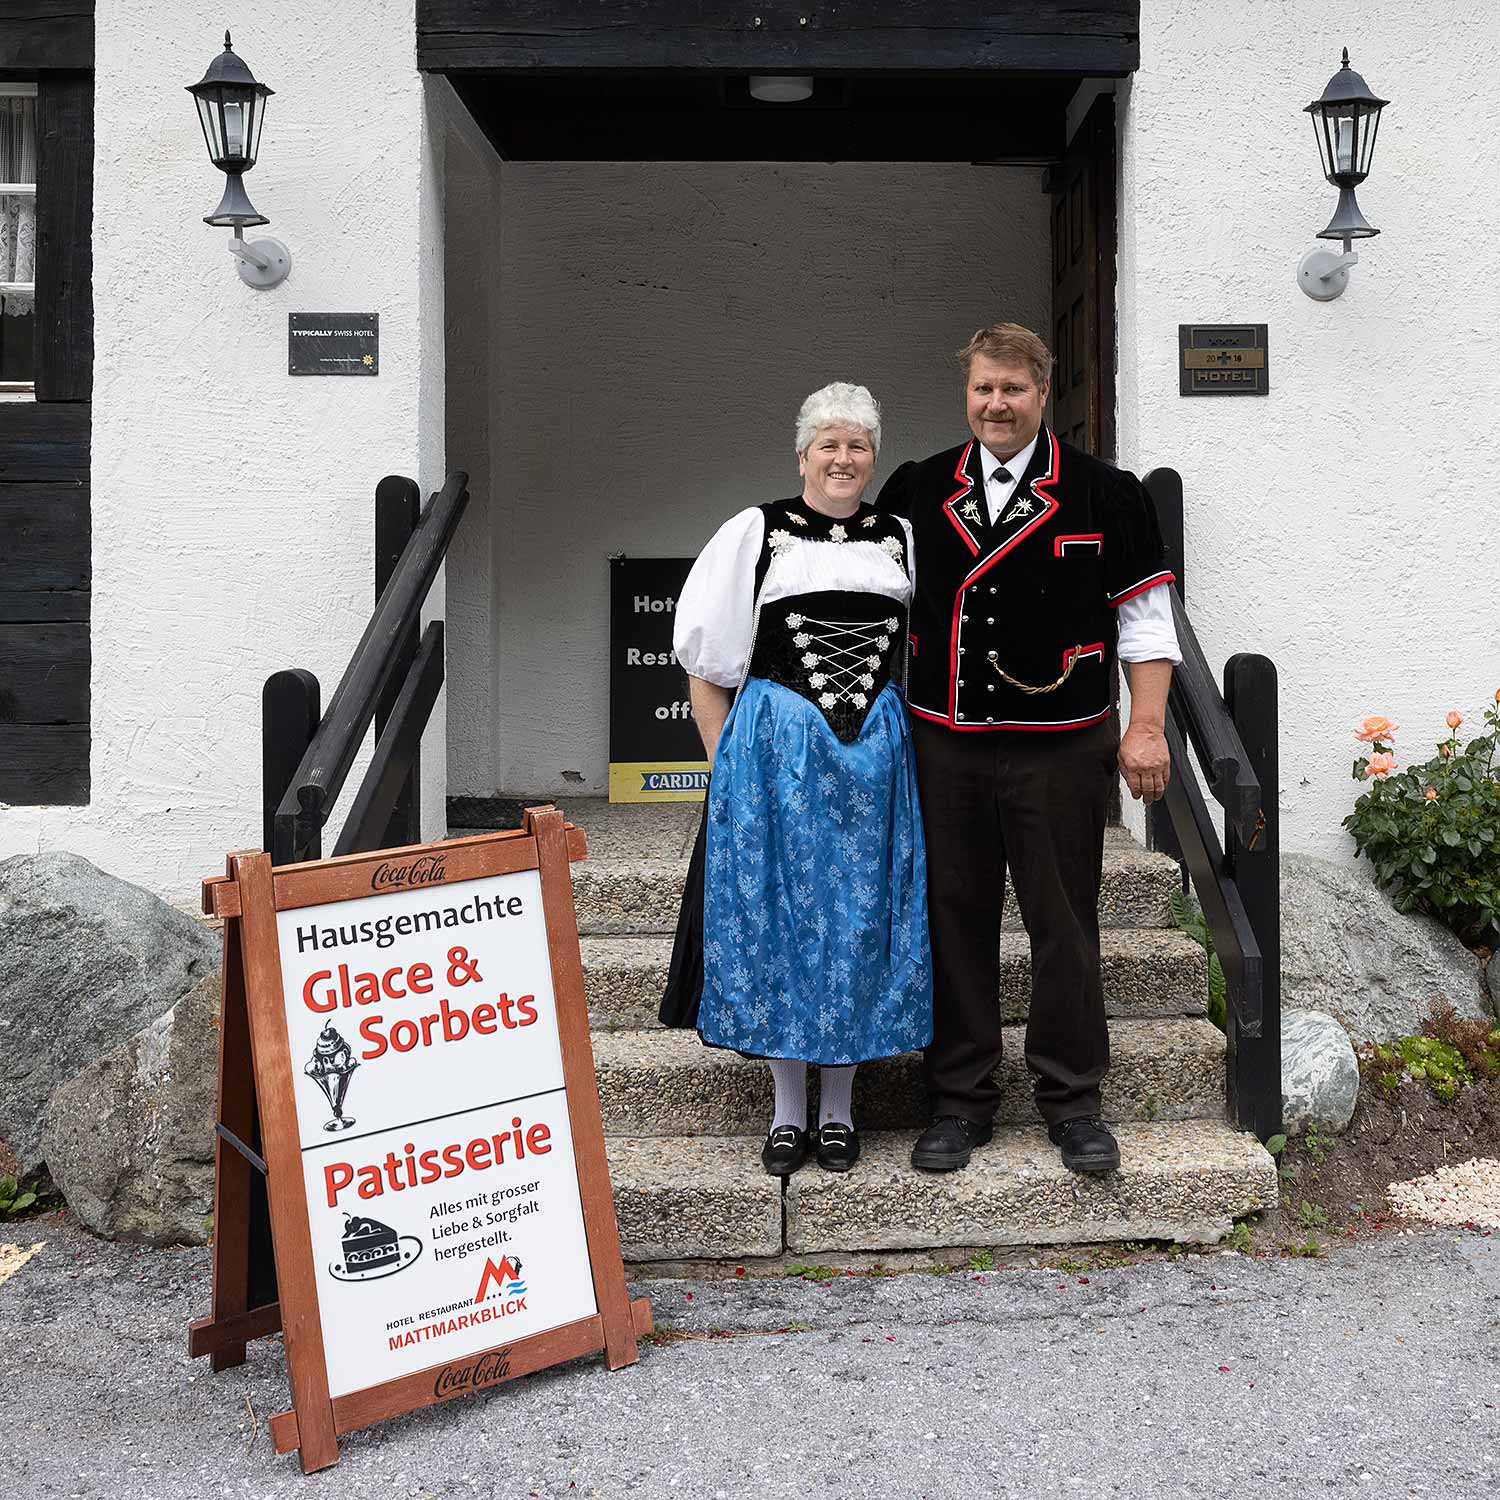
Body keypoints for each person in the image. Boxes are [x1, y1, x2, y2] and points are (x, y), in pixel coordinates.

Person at [877, 323, 1181, 1175]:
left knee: (1065, 926)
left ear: (1044, 394)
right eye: (983, 389)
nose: (996, 404)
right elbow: (877, 607)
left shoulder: (1105, 493)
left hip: (1061, 746)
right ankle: (960, 1098)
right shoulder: (916, 487)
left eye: (1012, 389)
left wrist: (1146, 726)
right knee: (954, 923)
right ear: (965, 394)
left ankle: (1072, 1100)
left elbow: (1145, 625)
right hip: (947, 744)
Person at [660, 382, 932, 1177]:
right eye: (829, 444)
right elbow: (706, 668)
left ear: (872, 455)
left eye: (857, 445)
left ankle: (841, 1112)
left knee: (857, 918)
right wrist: (729, 769)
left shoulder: (902, 539)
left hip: (876, 750)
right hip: (777, 751)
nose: (843, 458)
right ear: (803, 453)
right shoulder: (759, 532)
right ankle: (787, 1113)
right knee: (780, 921)